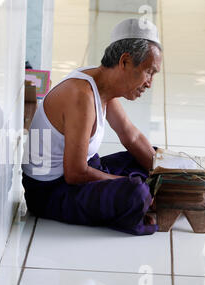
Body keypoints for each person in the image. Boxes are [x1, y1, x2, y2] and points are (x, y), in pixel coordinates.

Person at [22, 18, 165, 236]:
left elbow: (131, 137)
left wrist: (172, 181)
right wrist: (132, 184)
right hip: (51, 192)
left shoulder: (101, 82)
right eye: (148, 72)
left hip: (80, 172)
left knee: (149, 157)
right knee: (136, 192)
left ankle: (154, 192)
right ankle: (144, 199)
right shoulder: (81, 96)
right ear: (125, 61)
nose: (149, 83)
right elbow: (75, 173)